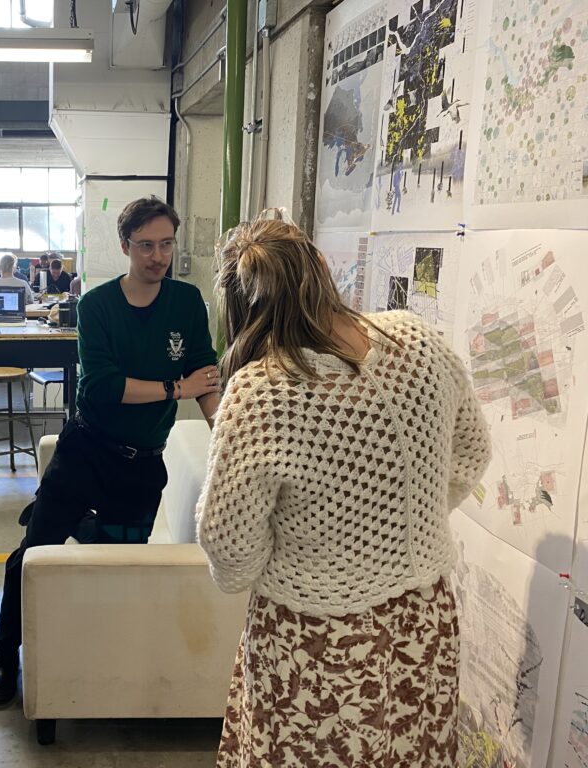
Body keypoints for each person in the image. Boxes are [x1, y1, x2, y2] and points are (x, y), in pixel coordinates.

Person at [196, 211, 492, 768]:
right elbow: (471, 454)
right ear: (325, 268)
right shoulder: (419, 341)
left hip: (315, 642)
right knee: (412, 750)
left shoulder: (259, 392)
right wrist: (404, 523)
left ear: (242, 307)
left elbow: (232, 556)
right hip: (422, 620)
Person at [0, 196, 222, 704]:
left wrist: (226, 435)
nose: (158, 256)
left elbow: (205, 374)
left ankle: (104, 649)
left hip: (142, 464)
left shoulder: (186, 302)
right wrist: (176, 387)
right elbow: (104, 388)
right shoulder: (97, 305)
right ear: (125, 246)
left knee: (118, 564)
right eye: (146, 246)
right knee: (32, 553)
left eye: (166, 244)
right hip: (87, 451)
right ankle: (4, 653)